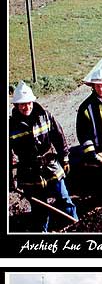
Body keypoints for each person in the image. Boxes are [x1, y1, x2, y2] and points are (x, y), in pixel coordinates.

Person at [9, 81, 78, 231]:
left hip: (51, 167)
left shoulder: (45, 116)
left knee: (65, 200)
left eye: (28, 103)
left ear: (33, 101)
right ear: (16, 105)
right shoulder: (11, 127)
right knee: (40, 210)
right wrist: (9, 178)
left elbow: (59, 138)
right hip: (29, 173)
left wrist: (64, 157)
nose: (26, 107)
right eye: (22, 104)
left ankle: (78, 228)